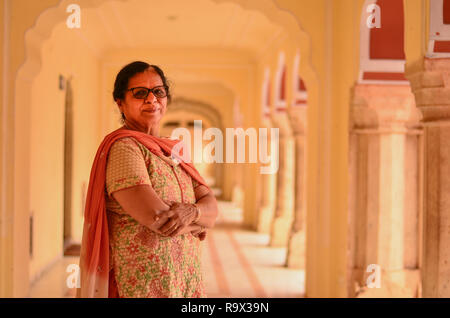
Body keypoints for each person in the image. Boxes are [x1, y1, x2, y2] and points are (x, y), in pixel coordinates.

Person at [77, 61, 219, 298]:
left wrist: (192, 214)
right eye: (140, 93)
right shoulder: (124, 148)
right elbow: (159, 219)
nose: (151, 100)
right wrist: (199, 221)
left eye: (158, 92)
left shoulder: (175, 150)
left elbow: (212, 208)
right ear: (120, 102)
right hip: (143, 285)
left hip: (185, 283)